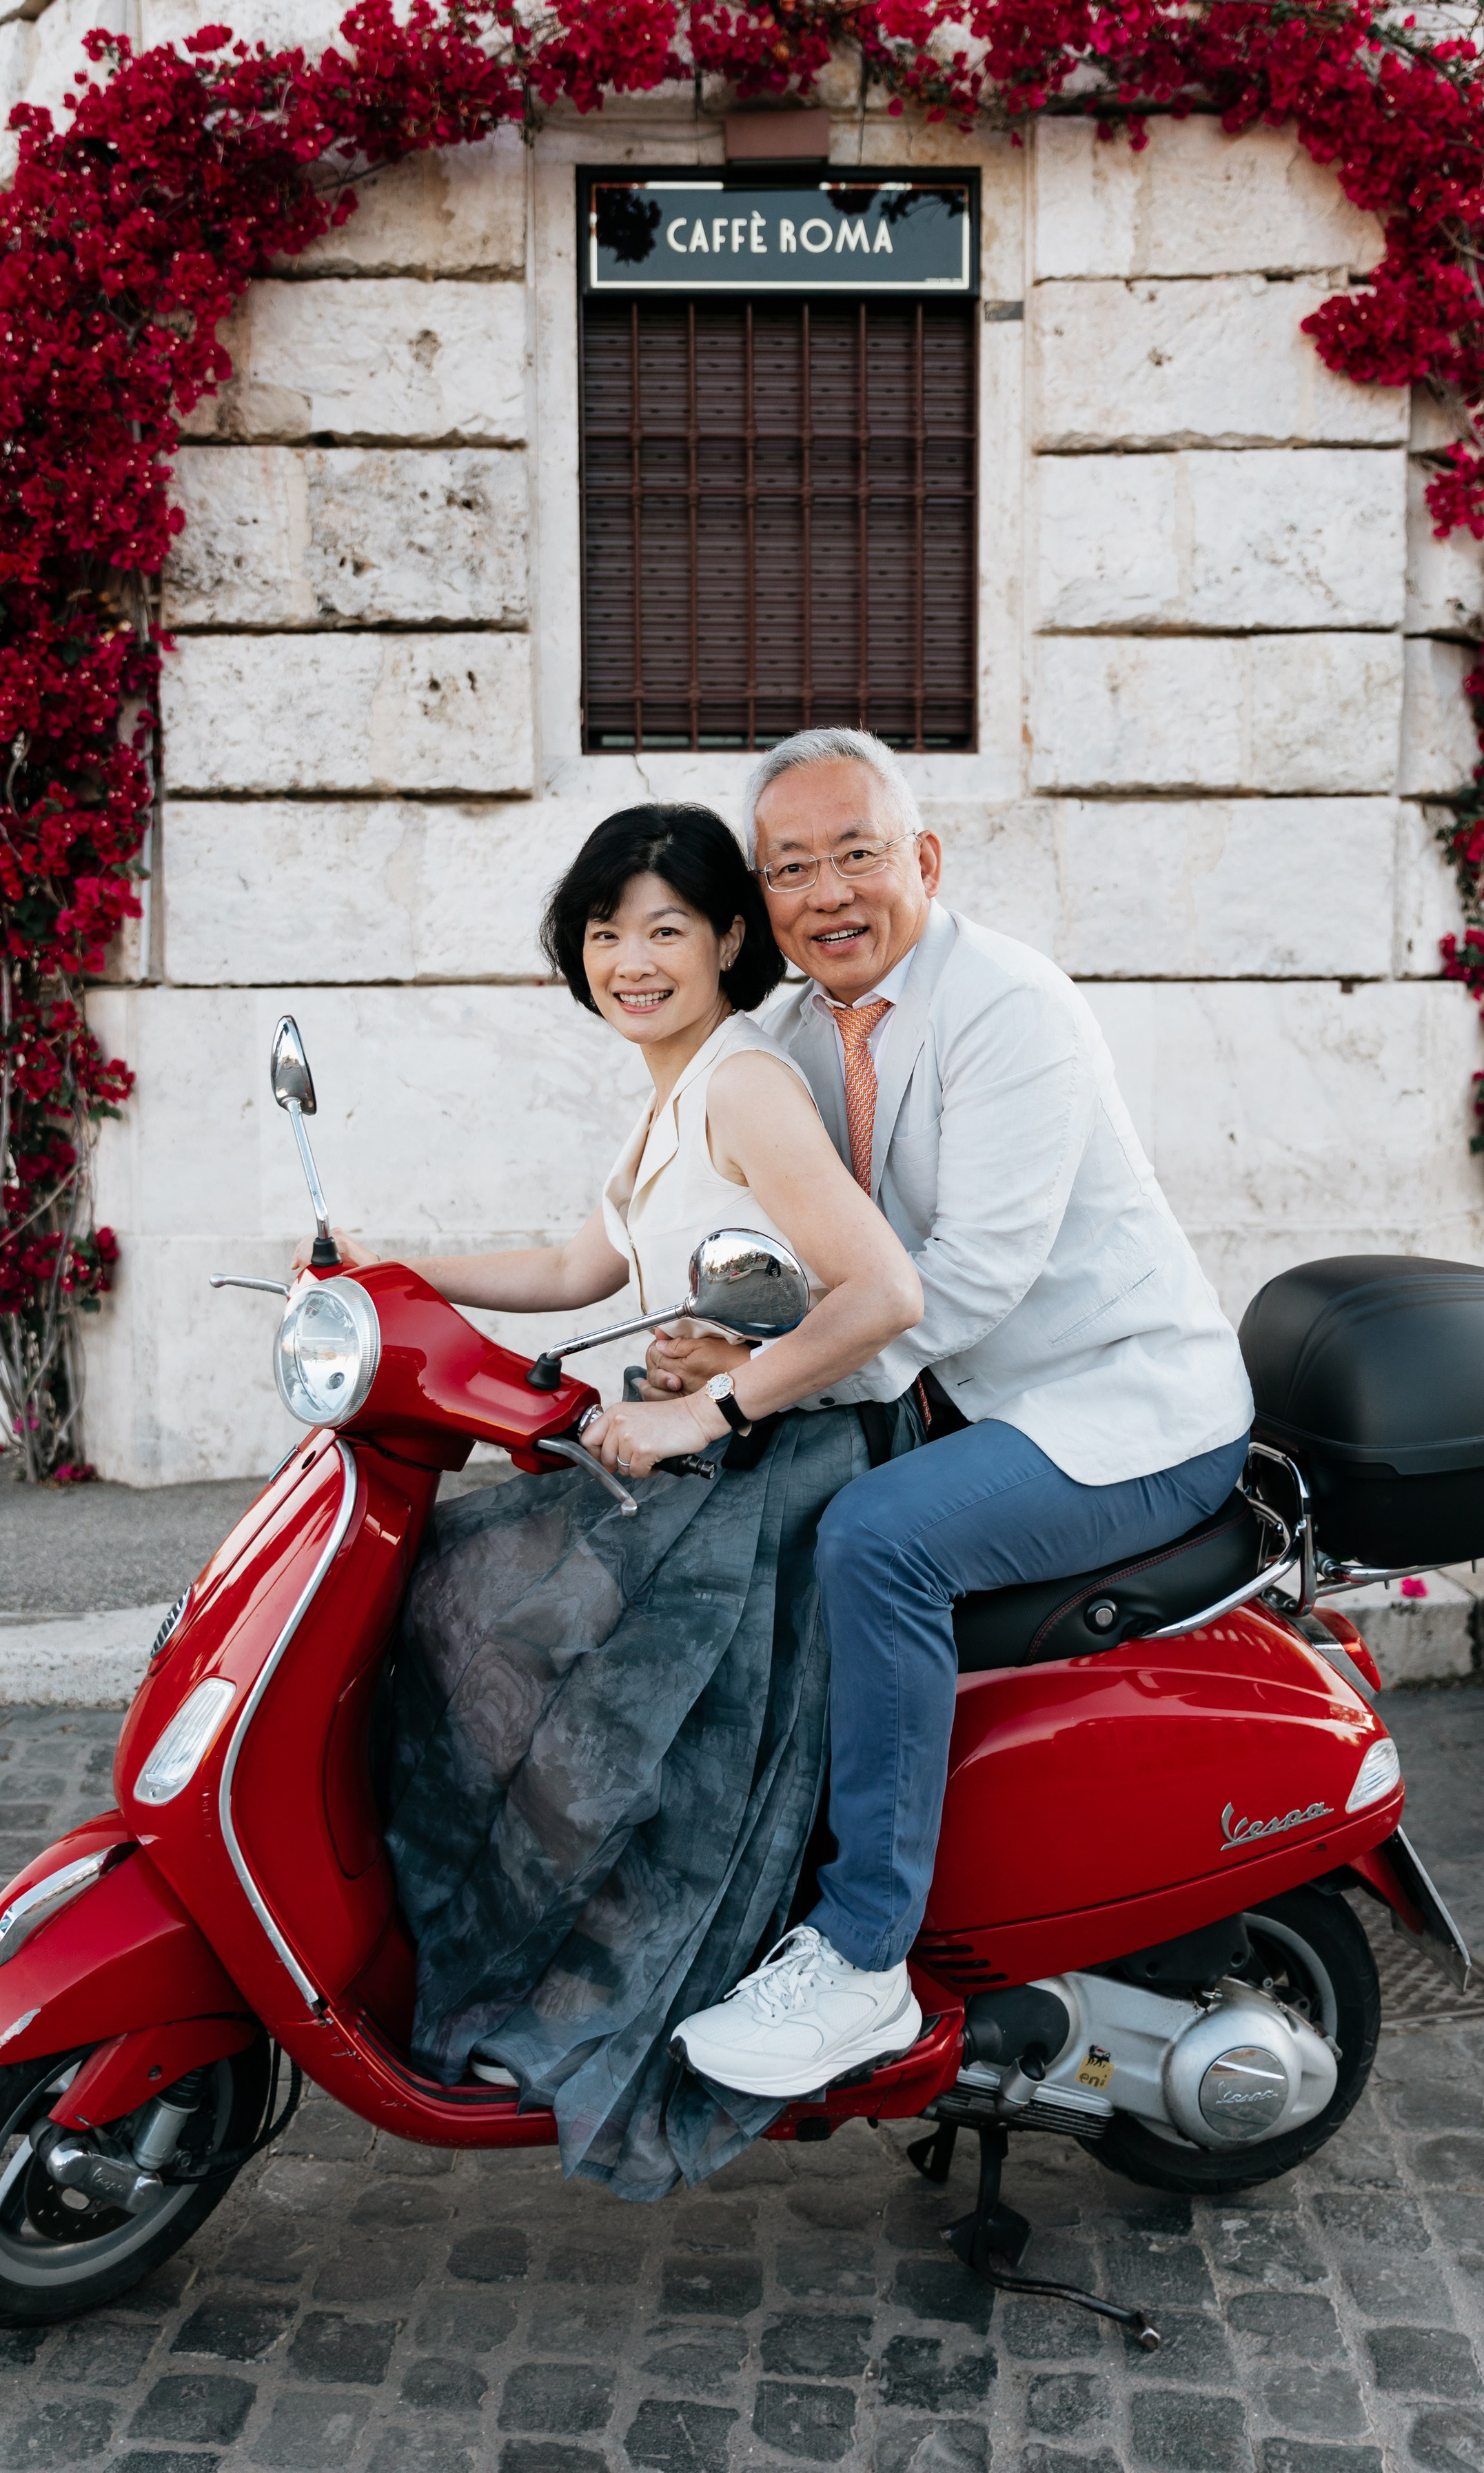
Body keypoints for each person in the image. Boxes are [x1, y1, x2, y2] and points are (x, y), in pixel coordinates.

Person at [304, 802, 923, 2199]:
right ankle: (546, 1953)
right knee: (467, 1607)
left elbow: (881, 1290)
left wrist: (718, 1396)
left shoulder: (742, 1084)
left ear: (723, 942)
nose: (629, 958)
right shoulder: (671, 1083)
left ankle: (602, 1999)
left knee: (529, 1654)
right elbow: (583, 1266)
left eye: (663, 929)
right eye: (603, 931)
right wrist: (396, 1265)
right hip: (692, 1459)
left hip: (767, 1481)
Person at [646, 729, 1255, 2100]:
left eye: (854, 852)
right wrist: (702, 1347)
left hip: (1121, 1409)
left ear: (920, 859)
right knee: (739, 1509)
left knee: (878, 1540)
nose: (827, 891)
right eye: (790, 868)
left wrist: (760, 1388)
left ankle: (862, 1958)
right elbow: (789, 1240)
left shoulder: (1007, 1006)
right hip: (970, 1399)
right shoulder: (792, 1035)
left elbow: (965, 1279)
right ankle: (740, 1875)